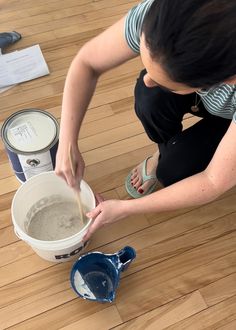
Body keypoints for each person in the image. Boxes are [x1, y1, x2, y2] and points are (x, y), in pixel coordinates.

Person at [55, 0, 236, 242]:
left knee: (174, 172)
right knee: (149, 96)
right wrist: (67, 144)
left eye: (164, 80)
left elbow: (213, 181)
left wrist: (125, 208)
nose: (147, 80)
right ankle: (162, 152)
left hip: (226, 110)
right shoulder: (165, 16)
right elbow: (87, 62)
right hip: (207, 89)